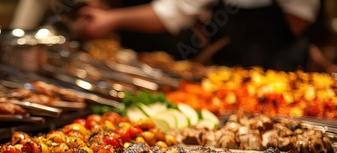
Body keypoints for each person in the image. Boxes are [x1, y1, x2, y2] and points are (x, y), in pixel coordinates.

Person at [75, 0, 321, 71]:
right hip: (228, 71)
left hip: (283, 67)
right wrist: (113, 19)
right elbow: (175, 10)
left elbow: (301, 15)